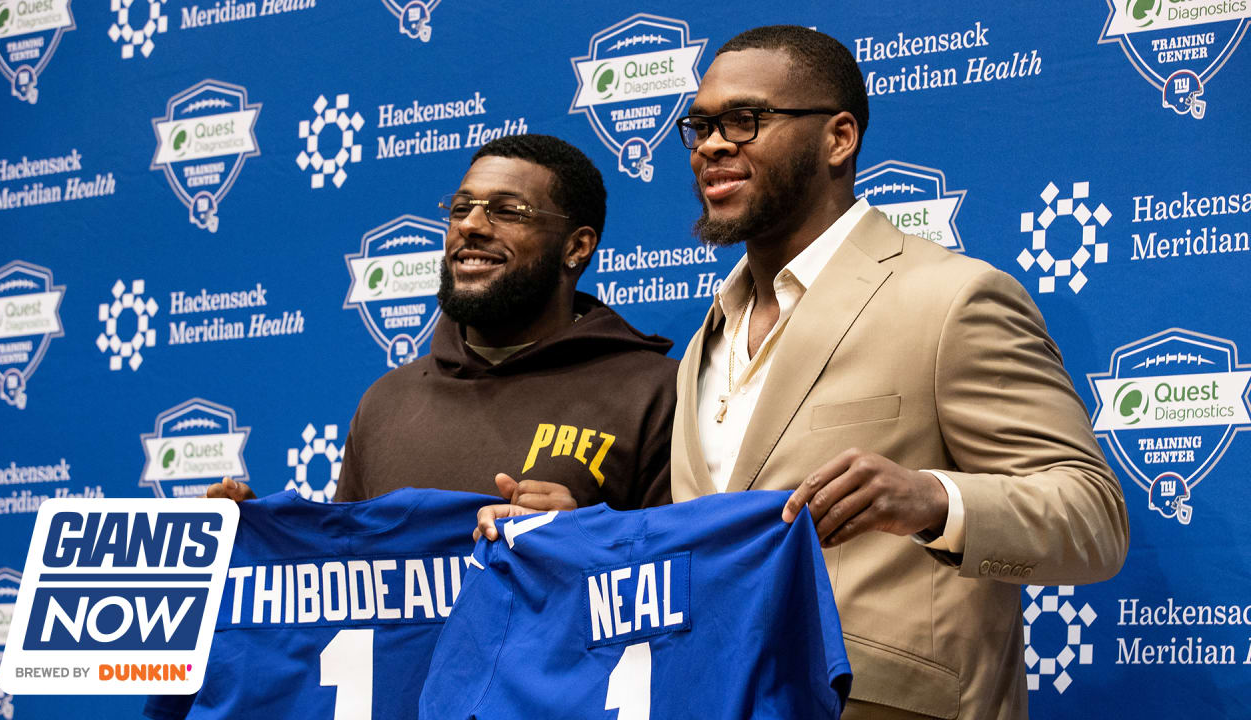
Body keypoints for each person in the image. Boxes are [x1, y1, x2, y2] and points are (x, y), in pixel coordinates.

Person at [667, 26, 1129, 719]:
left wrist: (934, 501)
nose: (712, 144)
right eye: (700, 125)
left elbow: (1093, 520)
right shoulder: (705, 338)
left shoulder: (951, 299)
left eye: (745, 119)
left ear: (839, 137)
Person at [211, 134, 676, 511]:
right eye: (460, 207)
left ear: (576, 247)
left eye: (507, 211)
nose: (470, 225)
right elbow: (344, 582)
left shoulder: (655, 393)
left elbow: (684, 584)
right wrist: (263, 542)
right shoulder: (386, 402)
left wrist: (588, 541)